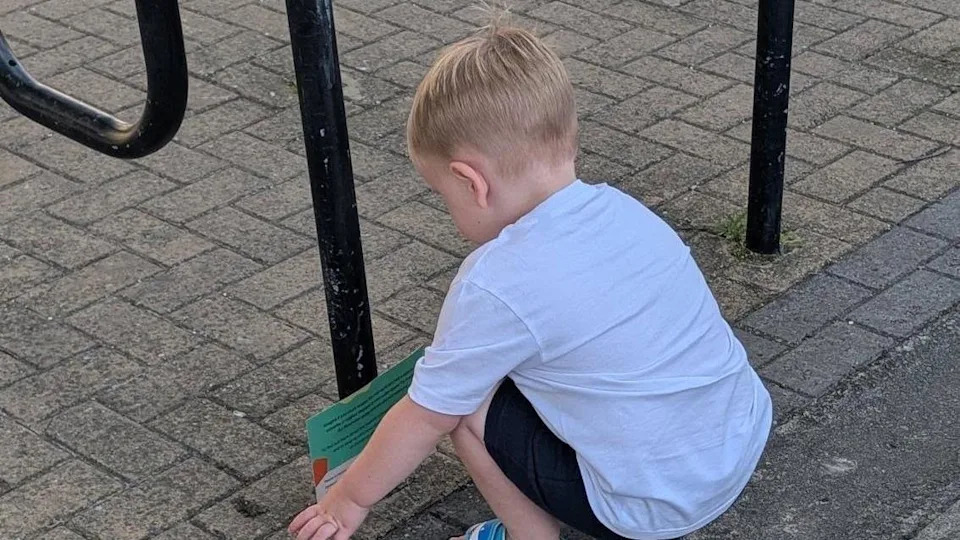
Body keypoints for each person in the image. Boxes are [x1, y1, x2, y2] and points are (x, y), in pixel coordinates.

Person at [289, 16, 772, 540]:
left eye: (441, 195)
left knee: (463, 397)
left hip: (650, 507)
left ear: (471, 183)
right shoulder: (626, 212)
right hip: (735, 446)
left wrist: (348, 501)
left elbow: (426, 416)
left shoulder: (494, 283)